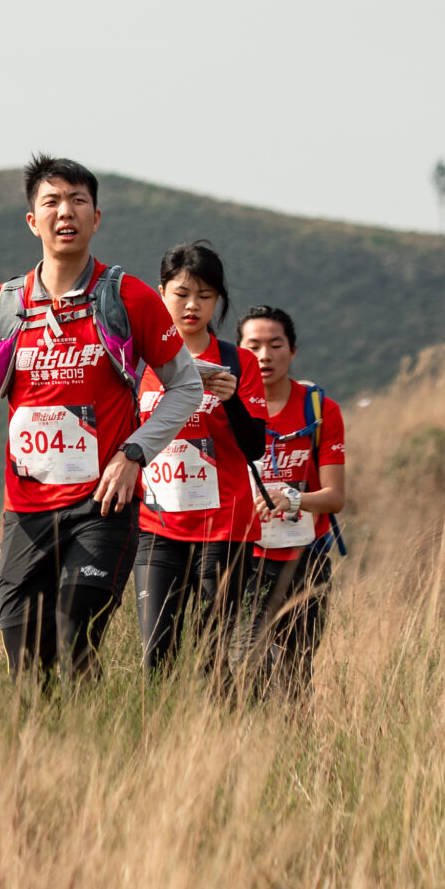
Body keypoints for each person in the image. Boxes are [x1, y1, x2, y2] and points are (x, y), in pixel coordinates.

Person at [0, 155, 202, 686]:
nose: (65, 212)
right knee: (27, 664)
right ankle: (50, 759)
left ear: (97, 218)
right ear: (33, 221)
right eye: (51, 202)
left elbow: (185, 387)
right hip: (25, 514)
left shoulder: (128, 297)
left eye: (78, 201)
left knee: (74, 636)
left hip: (103, 507)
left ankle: (91, 751)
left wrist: (134, 453)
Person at [131, 243, 267, 678]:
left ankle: (215, 738)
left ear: (219, 301)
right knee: (157, 654)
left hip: (224, 526)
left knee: (210, 657)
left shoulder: (237, 361)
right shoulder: (136, 362)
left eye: (206, 295)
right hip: (156, 527)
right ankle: (161, 738)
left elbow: (256, 447)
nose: (193, 305)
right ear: (161, 293)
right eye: (182, 292)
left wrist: (231, 403)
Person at [239, 306, 347, 699]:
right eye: (253, 346)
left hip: (306, 562)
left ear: (293, 351)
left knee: (295, 671)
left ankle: (294, 751)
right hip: (244, 560)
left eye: (275, 345)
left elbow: (335, 498)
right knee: (245, 665)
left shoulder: (320, 411)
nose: (264, 355)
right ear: (238, 351)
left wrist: (293, 499)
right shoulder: (227, 408)